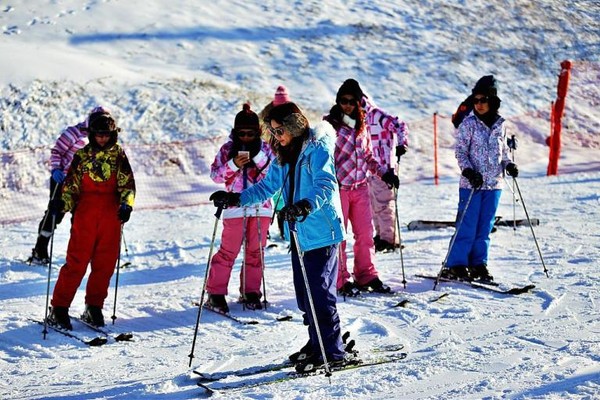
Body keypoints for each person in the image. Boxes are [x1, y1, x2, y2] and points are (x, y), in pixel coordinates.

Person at [209, 102, 352, 372]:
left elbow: (326, 184)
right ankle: (316, 342)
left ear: (294, 125)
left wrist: (305, 206)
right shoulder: (284, 154)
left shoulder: (317, 148)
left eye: (279, 130)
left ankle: (332, 350)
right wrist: (235, 198)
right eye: (272, 132)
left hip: (321, 230)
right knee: (304, 294)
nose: (276, 137)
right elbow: (266, 187)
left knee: (319, 295)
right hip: (298, 232)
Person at [47, 108, 136, 330]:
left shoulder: (119, 155)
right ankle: (59, 307)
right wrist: (62, 205)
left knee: (105, 263)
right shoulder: (82, 156)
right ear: (92, 134)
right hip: (85, 214)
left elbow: (127, 184)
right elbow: (71, 187)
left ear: (113, 134)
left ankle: (94, 305)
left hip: (111, 215)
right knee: (76, 262)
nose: (103, 138)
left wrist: (127, 204)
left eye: (106, 134)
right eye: (99, 134)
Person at [324, 78, 398, 296]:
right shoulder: (330, 126)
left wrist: (385, 173)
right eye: (342, 101)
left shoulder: (361, 125)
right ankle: (339, 279)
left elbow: (367, 156)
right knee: (339, 236)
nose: (346, 105)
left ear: (358, 103)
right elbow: (324, 157)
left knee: (365, 234)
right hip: (339, 189)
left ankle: (366, 274)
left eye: (351, 101)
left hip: (360, 187)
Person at [441, 75, 518, 281]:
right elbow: (460, 152)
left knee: (484, 227)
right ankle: (456, 264)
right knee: (467, 225)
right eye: (475, 100)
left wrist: (508, 164)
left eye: (483, 100)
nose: (479, 104)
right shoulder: (468, 124)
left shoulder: (500, 124)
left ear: (492, 100)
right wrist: (468, 171)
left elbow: (502, 152)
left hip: (494, 184)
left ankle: (478, 263)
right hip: (471, 184)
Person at [205, 103, 275, 312]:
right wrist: (234, 164)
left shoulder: (266, 150)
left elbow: (273, 177)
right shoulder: (227, 149)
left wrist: (258, 159)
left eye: (250, 133)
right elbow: (216, 176)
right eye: (241, 133)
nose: (246, 137)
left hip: (261, 207)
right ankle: (216, 292)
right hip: (234, 207)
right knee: (228, 251)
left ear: (258, 132)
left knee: (256, 252)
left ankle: (251, 290)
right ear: (235, 133)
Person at [28, 109, 99, 265]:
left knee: (81, 218)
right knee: (55, 214)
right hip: (62, 179)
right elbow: (57, 151)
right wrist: (56, 169)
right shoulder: (74, 133)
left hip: (82, 185)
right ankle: (40, 250)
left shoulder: (101, 138)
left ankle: (78, 255)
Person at [363, 96, 409, 253]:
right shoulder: (358, 120)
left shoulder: (376, 115)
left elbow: (400, 124)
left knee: (383, 204)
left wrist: (402, 144)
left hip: (385, 168)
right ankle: (380, 235)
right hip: (369, 170)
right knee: (373, 205)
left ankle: (389, 239)